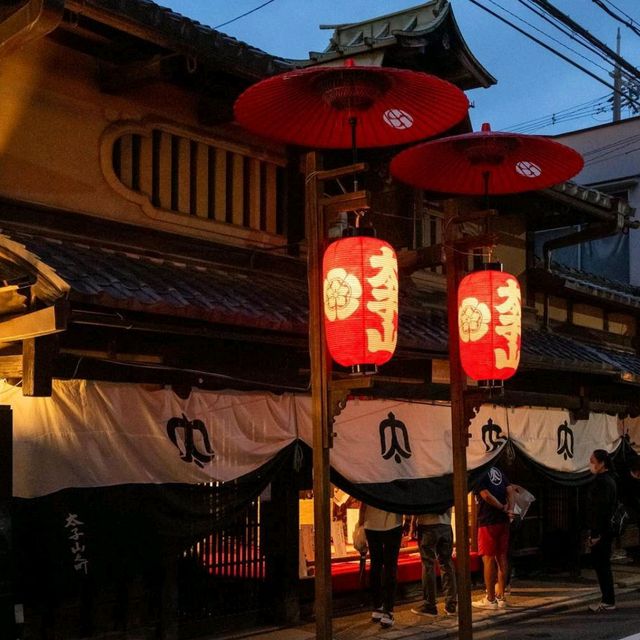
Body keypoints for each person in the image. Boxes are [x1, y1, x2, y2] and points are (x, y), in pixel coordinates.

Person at [471, 465, 515, 611]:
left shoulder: (480, 472)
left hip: (488, 520)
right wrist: (510, 510)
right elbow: (510, 491)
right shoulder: (499, 470)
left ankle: (490, 598)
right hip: (503, 521)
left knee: (488, 558)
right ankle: (501, 596)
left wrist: (501, 507)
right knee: (502, 556)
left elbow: (485, 495)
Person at [358, 503, 403, 629]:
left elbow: (363, 501)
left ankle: (377, 606)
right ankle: (388, 611)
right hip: (393, 522)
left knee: (375, 565)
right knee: (390, 566)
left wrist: (360, 523)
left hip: (371, 522)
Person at [586, 449, 618, 613]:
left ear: (601, 463)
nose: (590, 464)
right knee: (603, 565)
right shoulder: (609, 480)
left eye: (592, 461)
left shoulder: (603, 482)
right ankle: (607, 599)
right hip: (606, 530)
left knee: (602, 566)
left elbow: (601, 510)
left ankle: (608, 600)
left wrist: (596, 535)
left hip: (602, 531)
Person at [410, 508, 457, 617]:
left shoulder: (424, 489)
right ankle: (451, 604)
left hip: (427, 524)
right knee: (447, 564)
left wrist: (413, 523)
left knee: (428, 565)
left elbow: (417, 502)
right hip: (445, 524)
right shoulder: (446, 489)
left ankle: (430, 605)